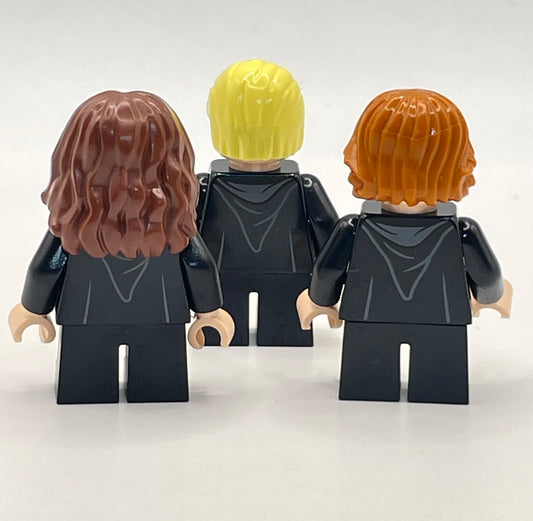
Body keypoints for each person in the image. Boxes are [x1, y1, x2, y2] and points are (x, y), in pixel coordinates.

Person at [8, 90, 234, 404]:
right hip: (159, 314)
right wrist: (209, 310)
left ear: (75, 159)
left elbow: (47, 267)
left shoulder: (77, 224)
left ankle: (93, 391)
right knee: (159, 384)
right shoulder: (172, 224)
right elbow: (198, 264)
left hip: (87, 316)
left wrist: (33, 307)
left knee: (86, 384)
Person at [297, 88, 512, 404]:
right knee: (440, 383)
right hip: (443, 317)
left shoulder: (354, 228)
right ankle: (437, 391)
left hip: (367, 316)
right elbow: (488, 276)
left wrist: (321, 300)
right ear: (457, 163)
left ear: (364, 158)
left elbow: (328, 271)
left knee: (366, 381)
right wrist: (490, 296)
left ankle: (369, 389)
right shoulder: (462, 231)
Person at [198, 59, 338, 346]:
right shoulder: (303, 186)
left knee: (248, 333)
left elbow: (184, 240)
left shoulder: (205, 186)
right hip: (284, 272)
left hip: (227, 274)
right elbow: (332, 241)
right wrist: (325, 291)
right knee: (285, 332)